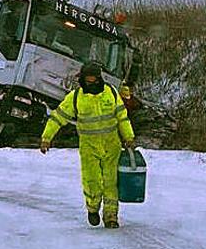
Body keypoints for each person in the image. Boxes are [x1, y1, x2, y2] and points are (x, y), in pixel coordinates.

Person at [39, 62, 135, 229]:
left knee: (111, 182)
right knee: (91, 181)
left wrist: (129, 137)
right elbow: (57, 117)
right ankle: (92, 208)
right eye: (87, 80)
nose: (90, 83)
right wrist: (46, 138)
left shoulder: (111, 93)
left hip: (111, 145)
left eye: (93, 80)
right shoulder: (76, 97)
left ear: (99, 78)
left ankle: (111, 216)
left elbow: (122, 117)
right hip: (88, 147)